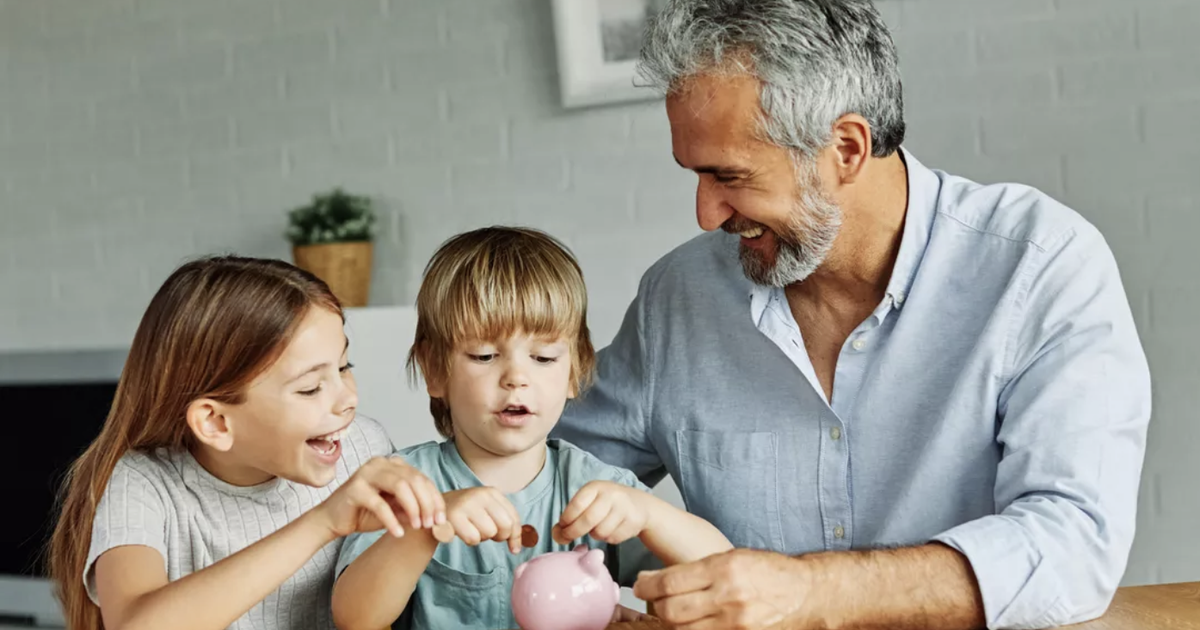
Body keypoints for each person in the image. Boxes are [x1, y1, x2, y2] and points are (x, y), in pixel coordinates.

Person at [552, 1, 1153, 629]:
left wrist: (808, 593)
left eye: (729, 176)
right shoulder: (677, 299)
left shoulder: (1041, 267)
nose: (706, 214)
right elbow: (545, 481)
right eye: (697, 175)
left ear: (846, 148)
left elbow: (1074, 546)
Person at [331, 227, 731, 630]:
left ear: (575, 370)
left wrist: (649, 515)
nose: (516, 377)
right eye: (485, 355)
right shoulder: (408, 487)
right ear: (435, 370)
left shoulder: (593, 487)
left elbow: (724, 573)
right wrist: (424, 531)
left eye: (542, 358)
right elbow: (353, 618)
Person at [48, 256, 445, 630]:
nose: (348, 400)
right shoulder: (144, 483)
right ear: (216, 422)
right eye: (310, 388)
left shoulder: (363, 446)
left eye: (344, 367)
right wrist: (323, 522)